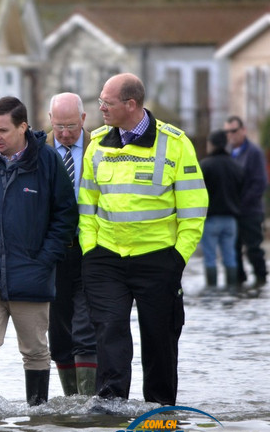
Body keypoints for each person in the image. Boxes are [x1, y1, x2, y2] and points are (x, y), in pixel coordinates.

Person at [78, 73, 208, 406]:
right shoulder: (97, 143)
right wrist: (90, 249)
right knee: (109, 331)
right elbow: (87, 205)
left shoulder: (175, 144)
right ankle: (110, 407)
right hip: (106, 258)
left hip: (158, 259)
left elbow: (193, 211)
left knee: (159, 339)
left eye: (107, 102)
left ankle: (160, 411)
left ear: (130, 104)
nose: (101, 108)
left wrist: (177, 259)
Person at [0, 96, 77, 406]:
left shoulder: (48, 162)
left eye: (3, 130)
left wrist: (45, 259)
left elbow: (65, 216)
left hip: (31, 278)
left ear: (23, 127)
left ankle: (38, 415)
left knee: (35, 351)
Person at [46, 93, 97, 396]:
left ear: (83, 119)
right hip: (52, 252)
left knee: (86, 326)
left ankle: (88, 402)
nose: (64, 133)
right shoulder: (37, 151)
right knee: (59, 329)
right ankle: (70, 399)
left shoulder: (101, 147)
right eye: (59, 126)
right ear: (50, 119)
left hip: (91, 249)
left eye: (71, 127)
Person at [225, 115, 268, 288]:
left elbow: (260, 183)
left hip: (250, 212)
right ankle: (239, 283)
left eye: (234, 131)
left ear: (243, 130)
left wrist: (241, 204)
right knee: (233, 250)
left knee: (253, 249)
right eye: (227, 132)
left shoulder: (254, 152)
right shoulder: (227, 152)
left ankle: (261, 280)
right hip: (232, 211)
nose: (231, 135)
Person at [200, 129, 244, 293]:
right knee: (230, 257)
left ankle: (211, 290)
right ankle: (232, 290)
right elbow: (242, 190)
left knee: (210, 258)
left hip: (210, 219)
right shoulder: (236, 166)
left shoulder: (205, 165)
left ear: (211, 144)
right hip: (231, 219)